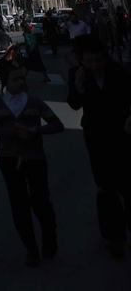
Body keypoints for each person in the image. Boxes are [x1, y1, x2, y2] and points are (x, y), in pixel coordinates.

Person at [0, 64, 64, 266]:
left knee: (41, 201)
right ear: (6, 83)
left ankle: (49, 238)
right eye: (15, 79)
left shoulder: (34, 102)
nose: (21, 82)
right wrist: (11, 132)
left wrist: (35, 130)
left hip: (35, 157)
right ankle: (31, 249)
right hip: (9, 159)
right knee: (19, 205)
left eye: (22, 78)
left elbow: (56, 124)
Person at [66, 35, 131, 259]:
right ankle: (114, 237)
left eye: (97, 60)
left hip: (123, 134)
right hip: (96, 137)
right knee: (106, 187)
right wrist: (78, 84)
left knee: (127, 183)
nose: (93, 65)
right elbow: (74, 103)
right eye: (88, 61)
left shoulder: (119, 72)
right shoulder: (78, 75)